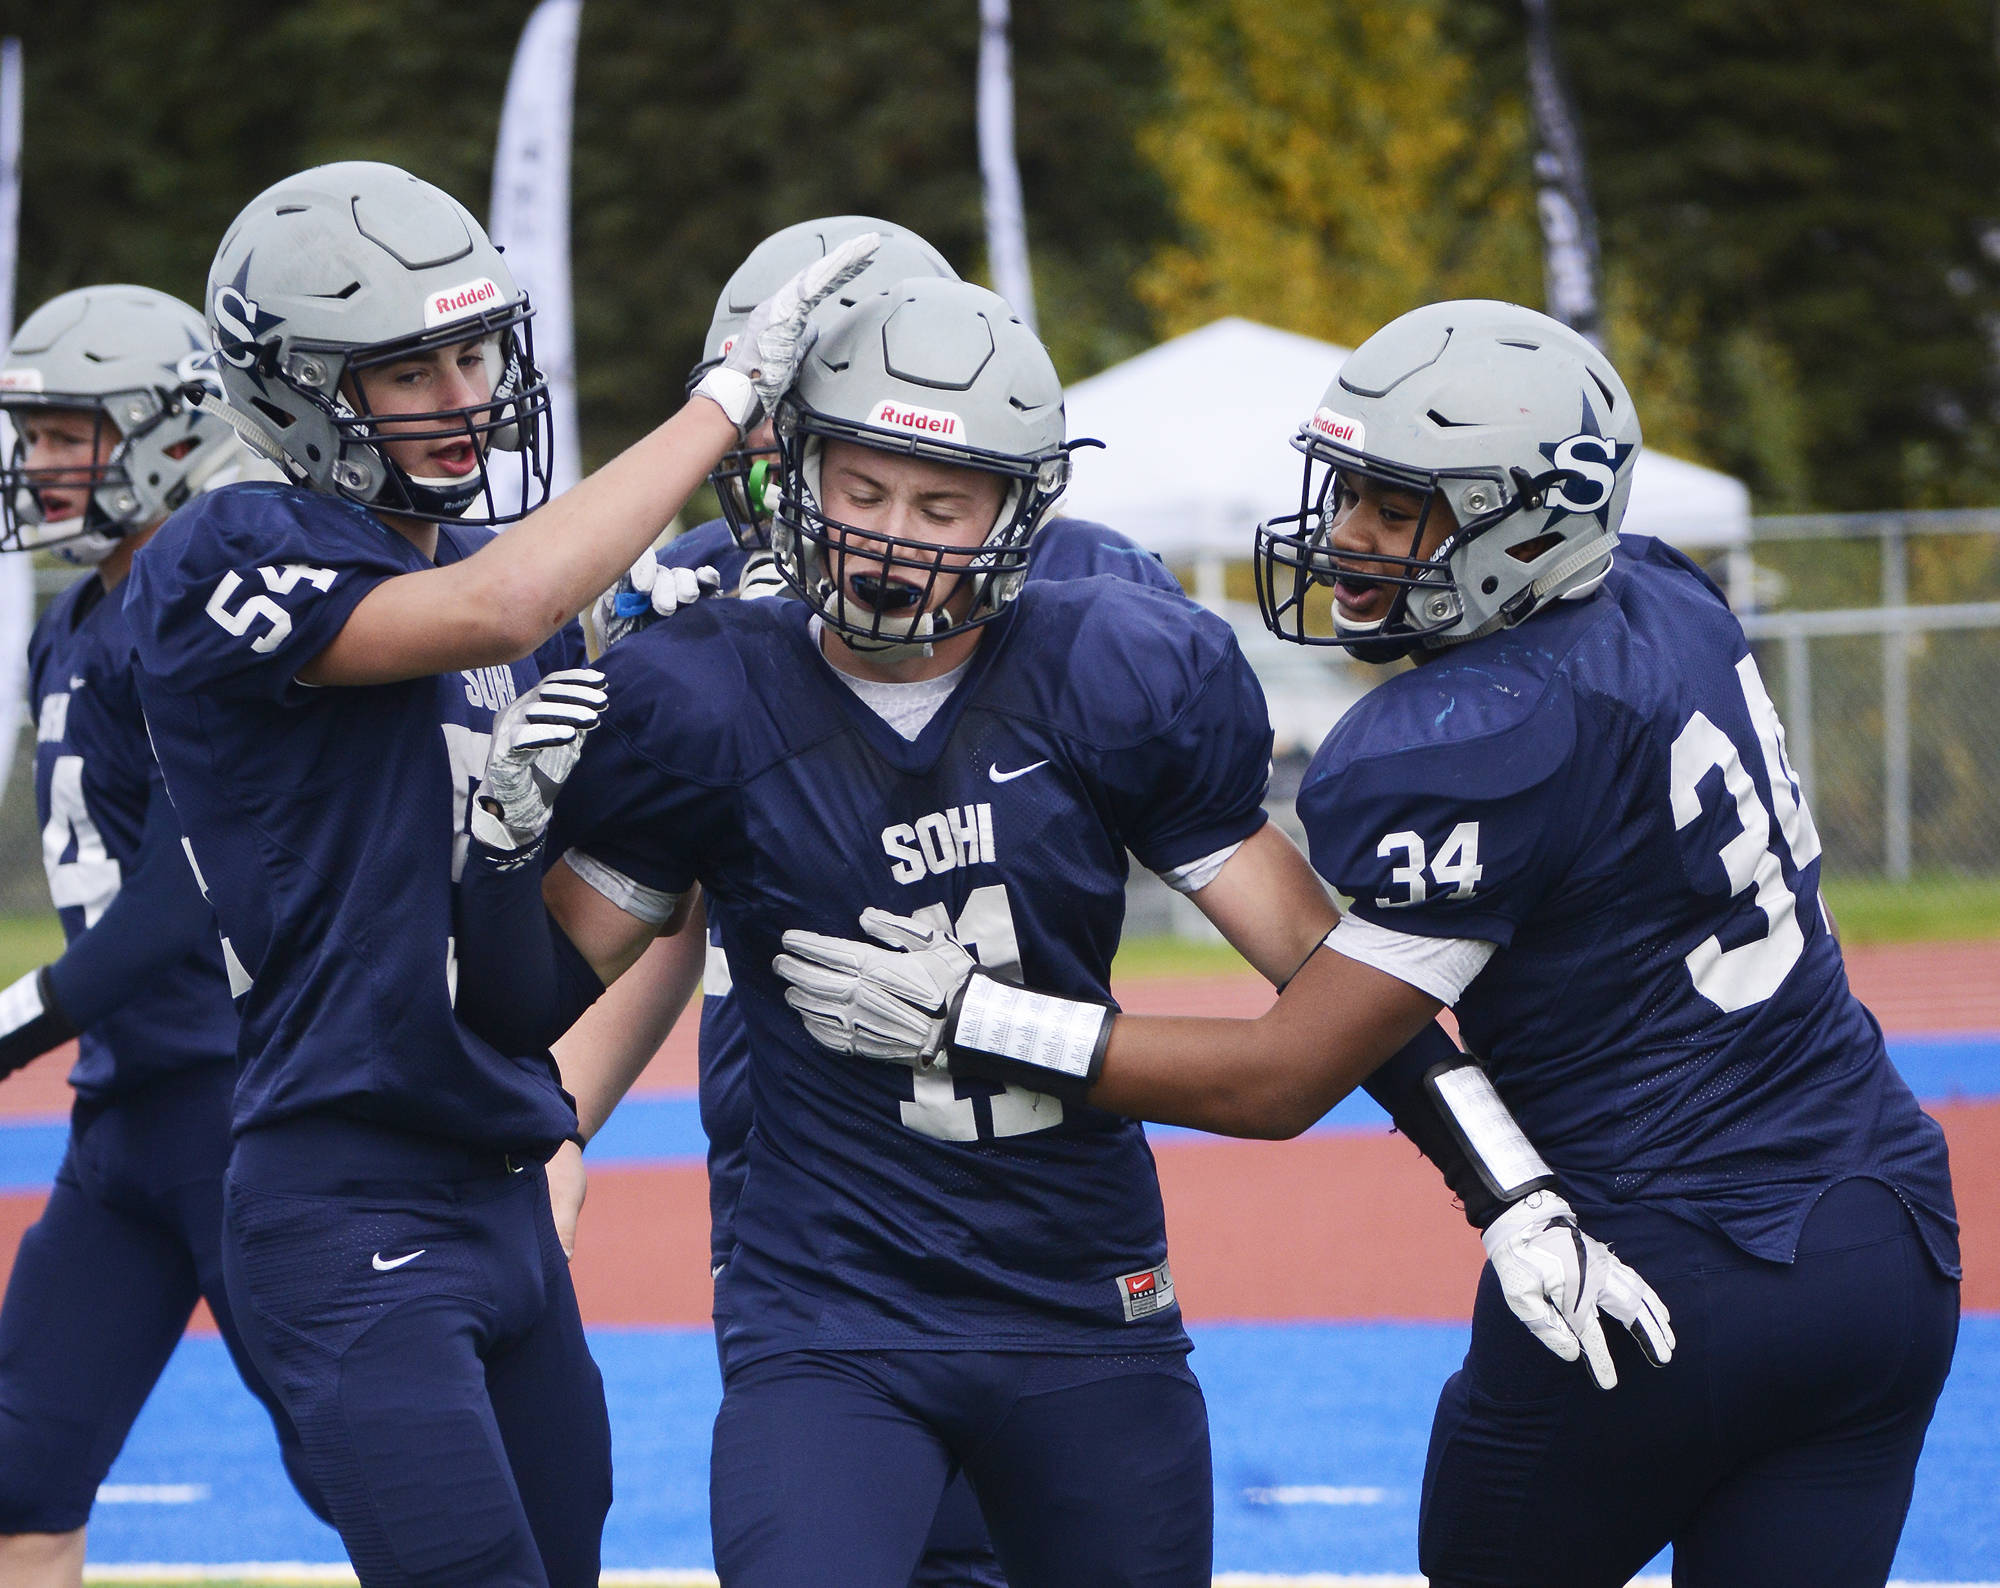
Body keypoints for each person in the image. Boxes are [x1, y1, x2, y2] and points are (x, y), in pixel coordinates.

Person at [453, 277, 1650, 1588]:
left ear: (1017, 514)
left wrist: (1509, 1194)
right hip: (833, 1310)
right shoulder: (698, 694)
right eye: (861, 490)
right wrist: (501, 861)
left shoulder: (1114, 670)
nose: (891, 541)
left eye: (940, 504)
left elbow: (1329, 980)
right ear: (796, 478)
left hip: (1084, 1303)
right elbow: (527, 1005)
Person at [775, 299, 1961, 1588]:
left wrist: (979, 1018)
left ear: (1525, 525)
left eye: (1400, 510)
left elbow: (1283, 1077)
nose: (1345, 536)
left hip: (1654, 1257)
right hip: (1886, 1239)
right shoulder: (1668, 595)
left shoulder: (1478, 733)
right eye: (1347, 490)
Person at [119, 160, 873, 1588]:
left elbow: (626, 913)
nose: (465, 392)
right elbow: (499, 602)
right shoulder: (235, 546)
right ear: (289, 387)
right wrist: (719, 405)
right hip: (344, 1191)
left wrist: (569, 1117)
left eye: (475, 352)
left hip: (504, 1183)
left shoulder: (504, 590)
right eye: (410, 369)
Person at [572, 217, 1189, 1588]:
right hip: (798, 1154)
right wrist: (553, 1125)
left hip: (1035, 1183)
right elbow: (655, 910)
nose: (762, 453)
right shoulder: (690, 600)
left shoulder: (1079, 599)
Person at [0, 284, 326, 1588]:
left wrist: (11, 1021)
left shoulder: (199, 620)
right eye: (36, 434)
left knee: (374, 1468)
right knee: (23, 1470)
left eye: (72, 433)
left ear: (171, 433)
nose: (40, 463)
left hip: (246, 1111)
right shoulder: (71, 622)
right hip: (127, 1114)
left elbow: (167, 909)